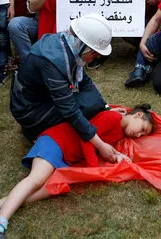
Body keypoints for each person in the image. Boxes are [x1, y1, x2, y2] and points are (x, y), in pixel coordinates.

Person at [0, 104, 154, 239]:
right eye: (142, 129)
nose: (138, 135)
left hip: (66, 156)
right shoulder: (112, 117)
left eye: (142, 135)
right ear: (138, 115)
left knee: (50, 188)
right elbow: (87, 138)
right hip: (56, 142)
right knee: (36, 180)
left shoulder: (119, 131)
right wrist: (92, 170)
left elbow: (101, 144)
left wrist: (116, 155)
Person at [9, 14, 120, 154]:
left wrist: (106, 108)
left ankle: (36, 127)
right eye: (94, 53)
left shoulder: (66, 42)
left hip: (34, 100)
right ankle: (36, 129)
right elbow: (70, 110)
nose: (96, 57)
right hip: (29, 111)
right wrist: (101, 146)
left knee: (94, 102)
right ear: (82, 45)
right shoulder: (52, 65)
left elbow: (85, 82)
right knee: (87, 106)